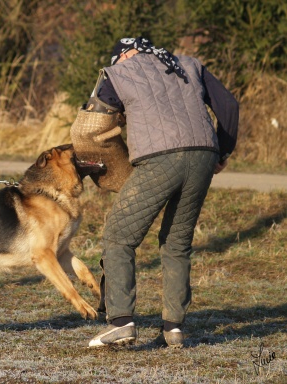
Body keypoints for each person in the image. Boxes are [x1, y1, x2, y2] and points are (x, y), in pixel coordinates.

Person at [72, 37, 239, 348]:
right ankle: (174, 328)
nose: (118, 62)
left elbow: (90, 125)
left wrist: (103, 163)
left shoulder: (116, 73)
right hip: (203, 155)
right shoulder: (189, 64)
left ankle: (121, 322)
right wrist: (222, 151)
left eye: (117, 57)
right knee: (177, 242)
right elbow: (228, 105)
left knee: (119, 237)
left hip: (160, 159)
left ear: (126, 54)